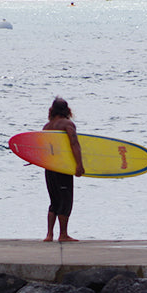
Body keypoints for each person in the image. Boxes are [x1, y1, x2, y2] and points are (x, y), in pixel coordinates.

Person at [43, 97, 84, 242]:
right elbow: (74, 143)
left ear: (52, 110)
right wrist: (79, 164)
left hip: (49, 167)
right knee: (65, 200)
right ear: (67, 110)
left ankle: (49, 235)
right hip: (62, 168)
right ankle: (63, 234)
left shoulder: (47, 127)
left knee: (54, 201)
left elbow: (44, 148)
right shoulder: (68, 124)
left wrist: (35, 160)